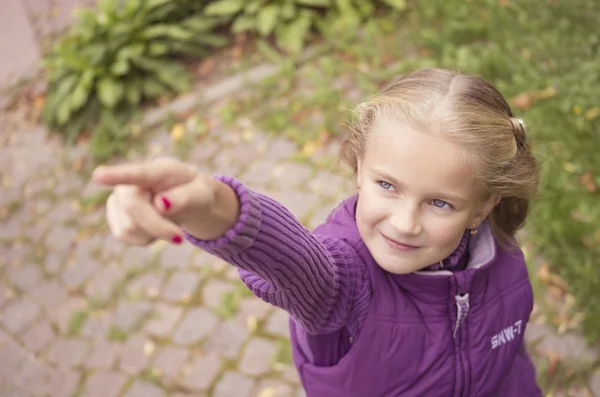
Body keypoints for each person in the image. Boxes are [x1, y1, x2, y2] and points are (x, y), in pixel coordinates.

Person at [93, 68, 542, 396]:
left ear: (483, 207)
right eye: (387, 186)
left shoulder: (498, 254)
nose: (405, 223)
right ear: (359, 169)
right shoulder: (344, 283)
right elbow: (293, 260)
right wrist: (210, 205)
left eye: (440, 202)